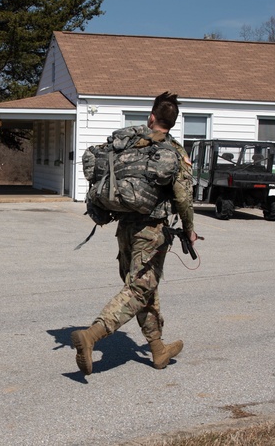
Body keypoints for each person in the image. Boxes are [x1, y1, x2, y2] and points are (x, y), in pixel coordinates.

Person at [71, 91, 198, 375]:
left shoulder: (130, 142)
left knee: (144, 288)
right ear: (172, 123)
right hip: (151, 231)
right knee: (139, 289)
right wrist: (189, 230)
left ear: (152, 116)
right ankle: (91, 336)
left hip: (124, 227)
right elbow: (183, 198)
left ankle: (158, 350)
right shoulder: (175, 152)